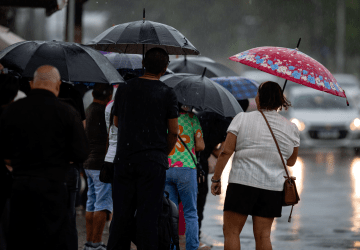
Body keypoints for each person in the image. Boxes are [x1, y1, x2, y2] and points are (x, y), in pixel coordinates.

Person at [0, 65, 89, 250]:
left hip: (20, 187)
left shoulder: (12, 111)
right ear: (57, 85)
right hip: (54, 187)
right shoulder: (68, 113)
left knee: (21, 239)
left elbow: (4, 153)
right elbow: (81, 153)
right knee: (52, 239)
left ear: (32, 84)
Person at [211, 81, 300, 250]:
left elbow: (225, 152)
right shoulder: (291, 127)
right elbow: (291, 161)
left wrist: (216, 179)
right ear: (280, 101)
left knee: (232, 232)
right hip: (272, 188)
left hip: (241, 184)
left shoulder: (242, 119)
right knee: (263, 235)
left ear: (259, 98)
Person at [107, 47, 179, 250]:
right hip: (153, 162)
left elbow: (116, 122)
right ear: (164, 68)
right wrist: (161, 151)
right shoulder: (167, 93)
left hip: (125, 160)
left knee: (121, 216)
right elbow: (173, 131)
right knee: (148, 217)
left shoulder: (124, 88)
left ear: (143, 65)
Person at [166, 104, 204, 250]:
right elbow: (200, 146)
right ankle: (192, 247)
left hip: (167, 167)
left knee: (170, 214)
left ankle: (171, 247)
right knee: (190, 213)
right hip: (187, 169)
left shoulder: (166, 118)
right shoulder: (193, 119)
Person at [83, 83, 114, 250]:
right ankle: (96, 243)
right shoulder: (104, 112)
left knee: (91, 202)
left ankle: (89, 242)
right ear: (108, 96)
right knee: (102, 204)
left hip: (88, 162)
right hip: (100, 164)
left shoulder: (88, 109)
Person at [197, 112, 231, 238]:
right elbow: (221, 153)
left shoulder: (197, 118)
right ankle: (195, 237)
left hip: (186, 163)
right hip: (201, 168)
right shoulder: (226, 124)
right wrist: (210, 149)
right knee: (197, 207)